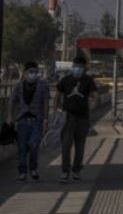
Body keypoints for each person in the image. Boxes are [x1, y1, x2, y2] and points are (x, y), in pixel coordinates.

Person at [55, 54, 97, 183]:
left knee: (80, 147)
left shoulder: (88, 80)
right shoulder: (65, 80)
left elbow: (95, 96)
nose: (78, 69)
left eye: (80, 67)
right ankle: (64, 171)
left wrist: (91, 107)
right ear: (72, 67)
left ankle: (76, 171)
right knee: (66, 146)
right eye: (76, 66)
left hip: (83, 119)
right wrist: (57, 111)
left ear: (84, 68)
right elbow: (57, 95)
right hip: (67, 118)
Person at [9, 62, 49, 182]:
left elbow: (46, 102)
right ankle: (22, 172)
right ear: (25, 73)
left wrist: (46, 119)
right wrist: (10, 116)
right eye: (30, 72)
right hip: (22, 121)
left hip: (37, 120)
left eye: (35, 72)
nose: (33, 74)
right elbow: (12, 101)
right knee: (21, 147)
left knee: (33, 145)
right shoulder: (18, 86)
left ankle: (33, 168)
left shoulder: (43, 85)